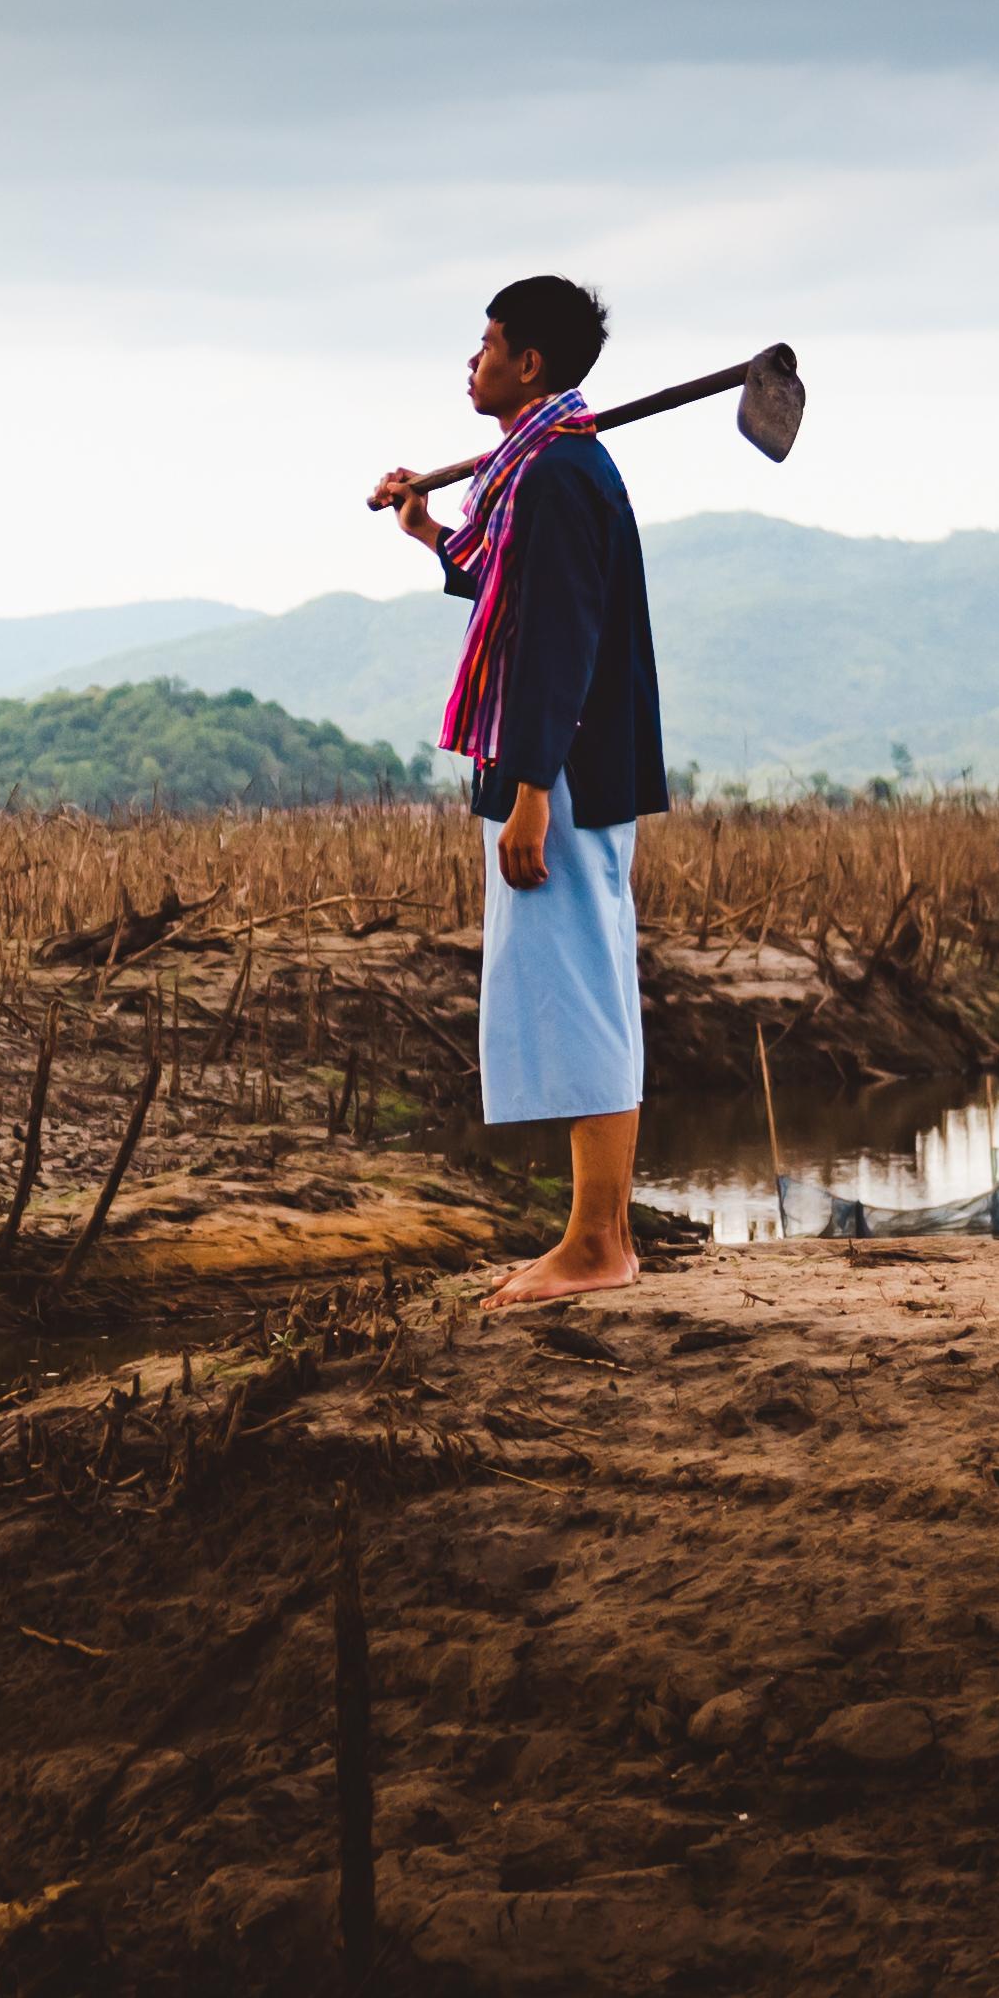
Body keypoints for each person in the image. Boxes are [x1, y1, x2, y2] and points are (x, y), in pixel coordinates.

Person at [367, 274, 668, 1306]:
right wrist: (423, 529)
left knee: (577, 990)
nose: (473, 358)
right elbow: (504, 585)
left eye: (485, 342)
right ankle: (607, 1235)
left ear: (527, 363)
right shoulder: (545, 468)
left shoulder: (554, 473)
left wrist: (533, 786)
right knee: (590, 984)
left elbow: (556, 640)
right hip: (573, 763)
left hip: (565, 770)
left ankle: (593, 1246)